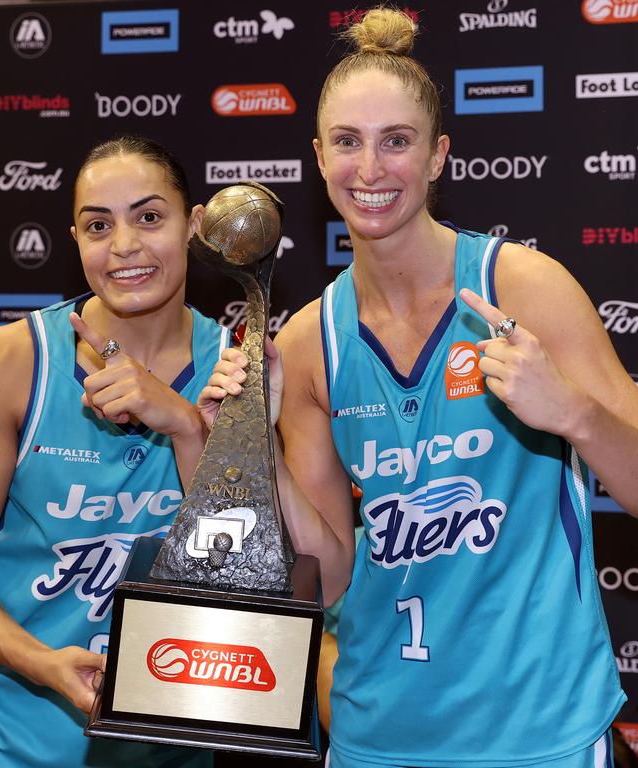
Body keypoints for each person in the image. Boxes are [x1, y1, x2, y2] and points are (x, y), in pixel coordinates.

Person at [200, 7, 638, 767]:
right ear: (317, 155)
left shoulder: (524, 289)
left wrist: (571, 413)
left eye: (396, 141)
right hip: (380, 737)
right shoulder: (307, 342)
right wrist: (254, 444)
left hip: (542, 733)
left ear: (438, 157)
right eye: (347, 142)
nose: (370, 171)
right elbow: (329, 574)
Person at [0, 135, 228, 767]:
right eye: (97, 225)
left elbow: (248, 582)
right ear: (75, 239)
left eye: (148, 217)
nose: (124, 247)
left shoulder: (238, 371)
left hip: (161, 746)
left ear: (193, 224)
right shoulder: (10, 360)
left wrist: (187, 425)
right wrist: (41, 663)